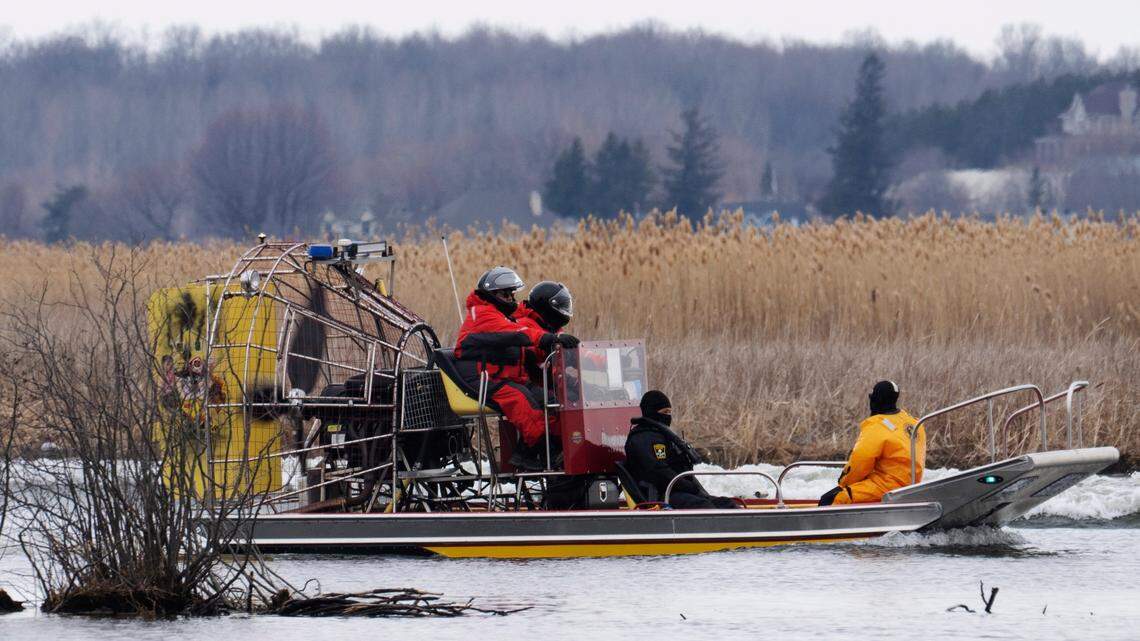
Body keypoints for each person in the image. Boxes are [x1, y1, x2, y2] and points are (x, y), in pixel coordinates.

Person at [454, 267, 579, 470]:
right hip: (485, 379)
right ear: (492, 295)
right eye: (506, 294)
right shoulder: (483, 315)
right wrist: (549, 338)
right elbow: (516, 333)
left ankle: (545, 451)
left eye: (512, 294)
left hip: (508, 378)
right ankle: (538, 453)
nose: (511, 298)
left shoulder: (504, 315)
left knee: (552, 401)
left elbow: (526, 340)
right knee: (524, 404)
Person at [623, 390, 739, 509]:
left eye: (669, 412)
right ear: (651, 412)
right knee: (704, 507)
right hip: (661, 494)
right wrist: (686, 486)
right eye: (664, 412)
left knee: (727, 504)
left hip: (677, 490)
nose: (668, 416)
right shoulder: (644, 439)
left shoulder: (661, 435)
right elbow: (659, 472)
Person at [819, 380, 926, 506]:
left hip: (888, 487)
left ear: (876, 400)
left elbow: (860, 462)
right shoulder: (913, 422)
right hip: (910, 487)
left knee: (830, 499)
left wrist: (843, 485)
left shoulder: (877, 426)